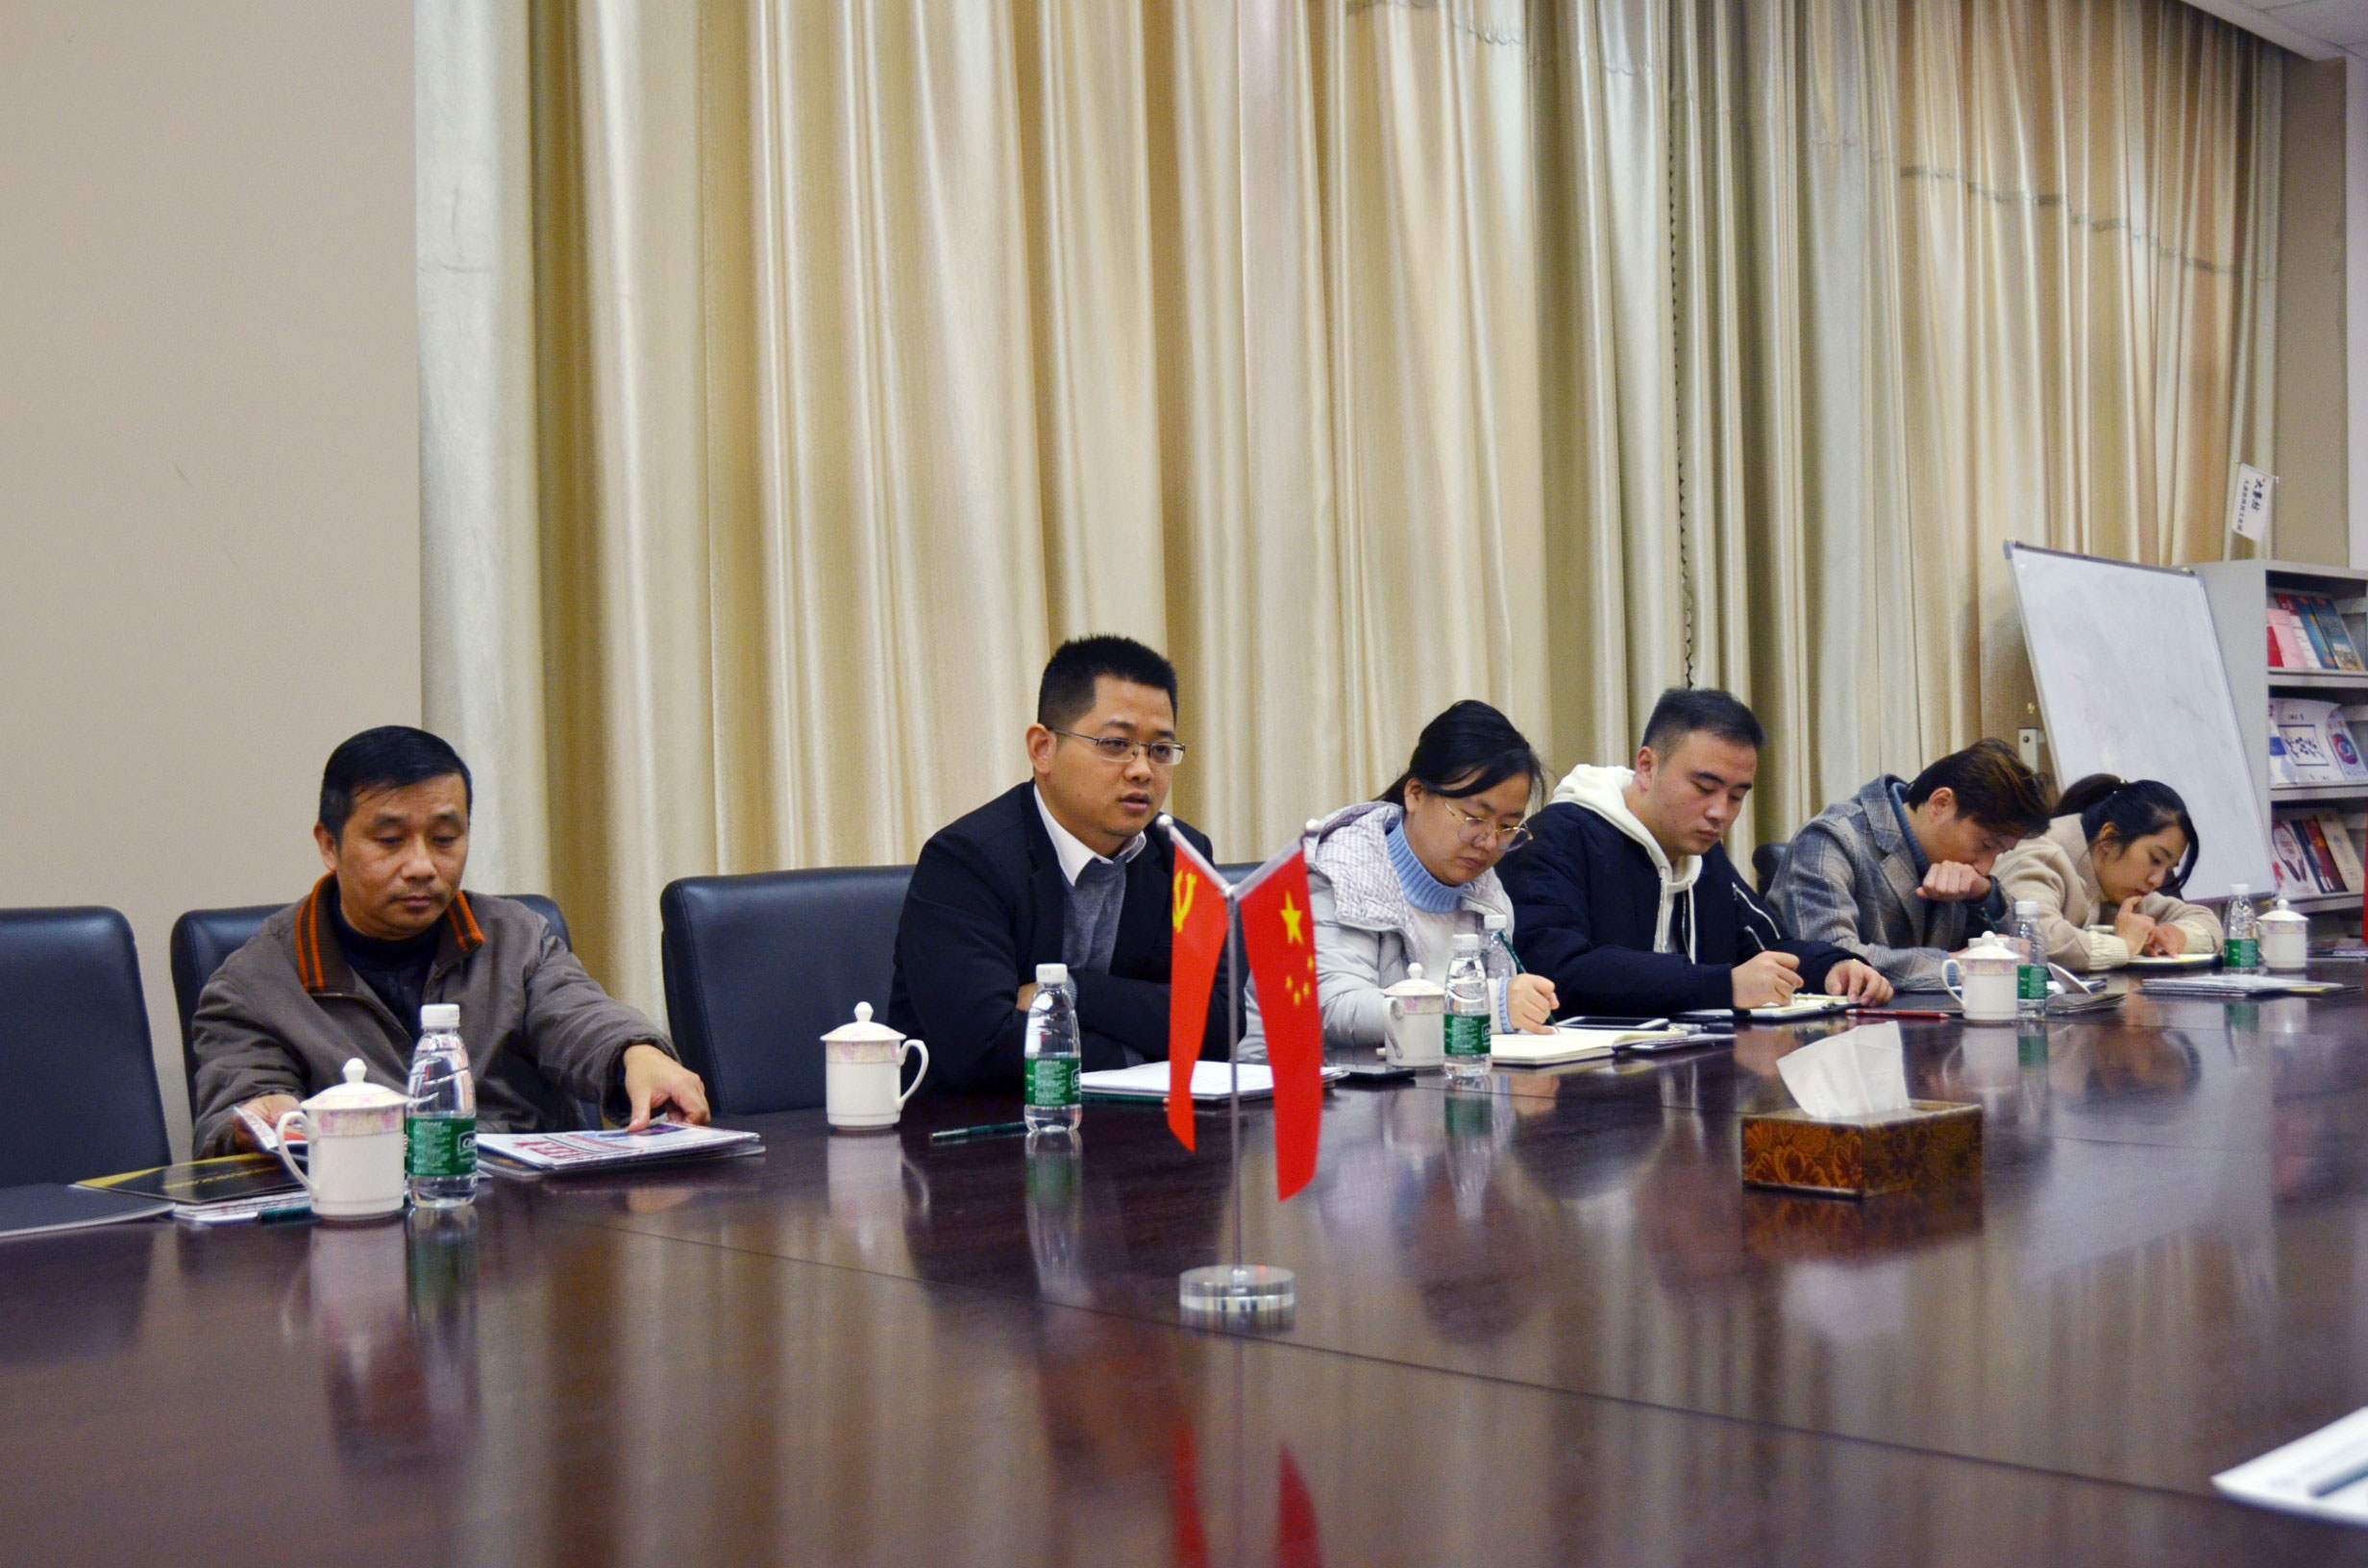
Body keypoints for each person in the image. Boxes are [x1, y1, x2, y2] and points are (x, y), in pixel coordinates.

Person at [190, 727, 708, 1158]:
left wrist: (636, 1053)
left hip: (526, 1224)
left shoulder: (516, 937)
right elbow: (239, 1105)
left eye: (444, 839)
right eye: (390, 841)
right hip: (358, 1226)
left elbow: (579, 1017)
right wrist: (261, 1119)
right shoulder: (252, 984)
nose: (421, 866)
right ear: (330, 844)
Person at [888, 635, 1221, 1092]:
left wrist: (1068, 991)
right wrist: (1141, 1054)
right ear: (1043, 748)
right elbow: (985, 1047)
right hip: (978, 1129)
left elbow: (1220, 1023)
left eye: (1160, 750)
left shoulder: (1182, 854)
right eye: (1115, 743)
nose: (1142, 770)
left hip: (1140, 1127)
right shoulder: (966, 861)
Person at [1497, 689, 1891, 1015]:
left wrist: (1834, 967)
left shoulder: (1700, 855)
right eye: (1705, 788)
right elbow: (1559, 972)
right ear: (1647, 767)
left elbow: (1768, 947)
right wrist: (1722, 985)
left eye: (1736, 796)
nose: (1720, 812)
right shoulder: (1554, 839)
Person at [1248, 700, 1561, 1055]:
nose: (1488, 842)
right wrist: (1484, 1004)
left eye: (1507, 827)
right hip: (1314, 1083)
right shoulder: (1339, 872)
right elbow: (1334, 1010)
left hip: (1433, 1080)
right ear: (1415, 794)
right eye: (1473, 817)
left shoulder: (1487, 894)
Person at [1768, 738, 2051, 991]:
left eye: (2000, 853)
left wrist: (1983, 896)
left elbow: (2025, 956)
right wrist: (1954, 966)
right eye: (1987, 845)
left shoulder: (1961, 868)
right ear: (1940, 803)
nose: (1985, 867)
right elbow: (1832, 958)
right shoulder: (1831, 838)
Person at [1991, 774, 2221, 970]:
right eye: (2155, 859)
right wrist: (2124, 945)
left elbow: (2206, 921)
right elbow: (2036, 940)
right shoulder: (2038, 854)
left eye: (2168, 869)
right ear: (2109, 838)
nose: (2158, 881)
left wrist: (2176, 935)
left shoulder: (2115, 882)